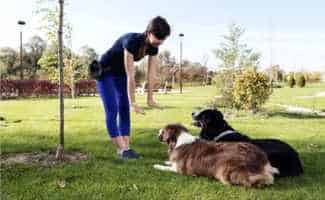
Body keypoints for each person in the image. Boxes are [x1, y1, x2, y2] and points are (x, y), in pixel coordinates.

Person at [96, 16, 171, 160]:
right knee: (113, 109)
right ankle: (122, 150)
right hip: (105, 72)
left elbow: (151, 74)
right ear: (149, 32)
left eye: (163, 38)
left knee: (124, 109)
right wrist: (134, 102)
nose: (160, 41)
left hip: (120, 74)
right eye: (158, 36)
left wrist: (150, 99)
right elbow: (131, 75)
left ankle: (126, 149)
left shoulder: (153, 47)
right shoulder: (132, 41)